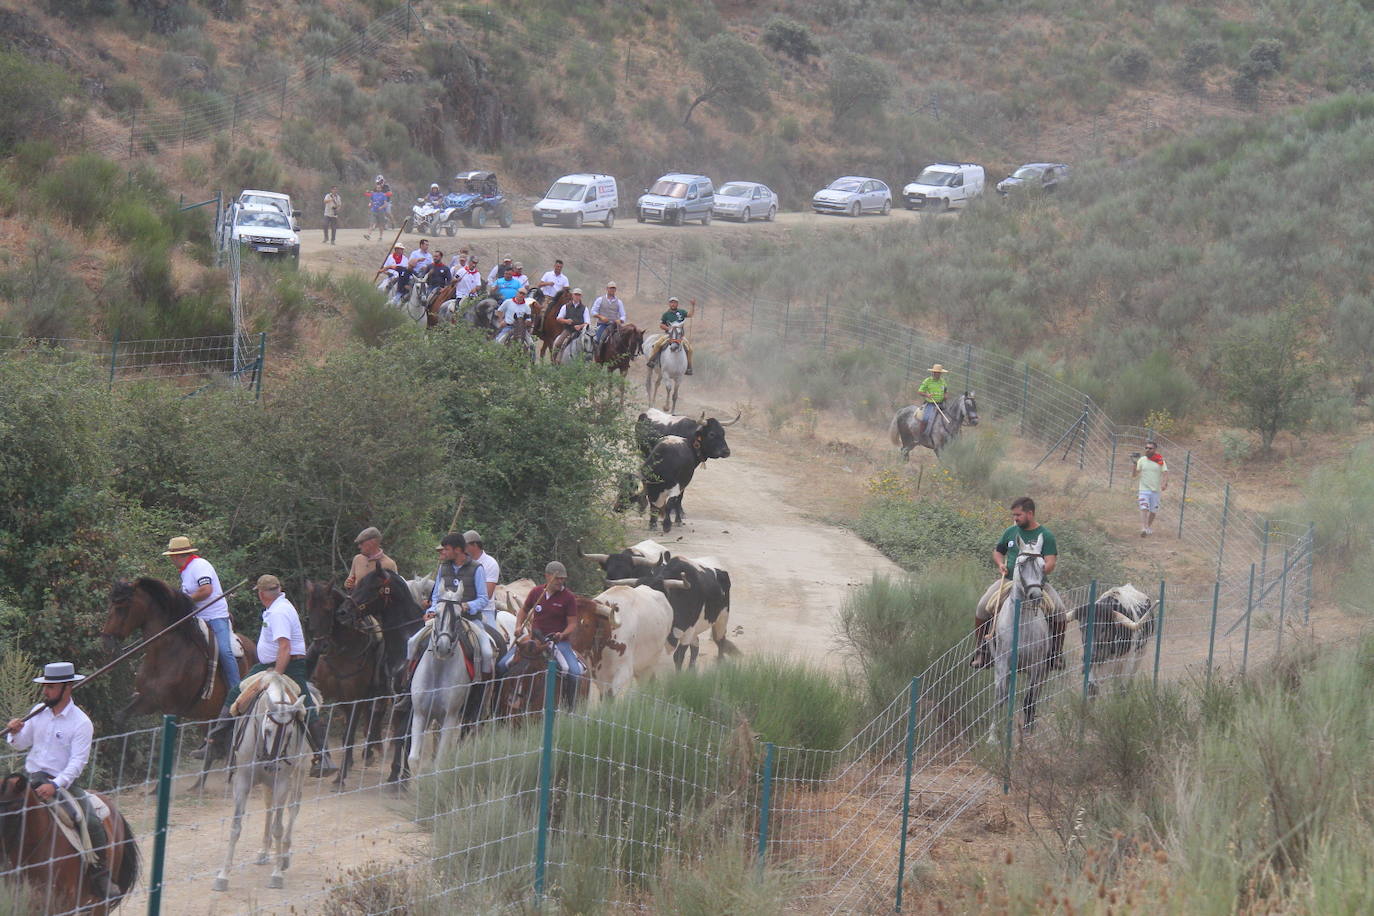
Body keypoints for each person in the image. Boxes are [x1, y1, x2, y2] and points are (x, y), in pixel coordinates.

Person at [5, 662, 118, 900]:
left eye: (51, 687)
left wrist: (55, 784)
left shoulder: (81, 722)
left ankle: (100, 874)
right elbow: (21, 743)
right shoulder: (38, 711)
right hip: (29, 778)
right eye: (45, 686)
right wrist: (14, 731)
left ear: (68, 688)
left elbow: (78, 762)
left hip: (60, 782)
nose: (45, 691)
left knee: (88, 817)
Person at [211, 576, 337, 776]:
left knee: (304, 703)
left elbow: (285, 648)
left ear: (261, 594)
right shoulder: (277, 608)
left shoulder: (278, 612)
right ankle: (215, 741)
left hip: (288, 666)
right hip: (268, 664)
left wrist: (276, 674)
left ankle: (323, 755)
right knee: (237, 691)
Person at [970, 497, 1065, 670]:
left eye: (1018, 515)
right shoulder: (1010, 532)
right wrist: (1000, 564)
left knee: (1059, 610)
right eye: (1014, 515)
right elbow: (998, 552)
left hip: (1037, 584)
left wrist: (1036, 572)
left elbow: (1051, 561)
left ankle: (1056, 654)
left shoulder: (1046, 535)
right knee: (982, 606)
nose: (1015, 518)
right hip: (1009, 581)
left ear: (1030, 513)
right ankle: (982, 651)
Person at [409, 534, 495, 678]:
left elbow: (483, 598)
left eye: (447, 549)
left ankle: (481, 692)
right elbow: (436, 596)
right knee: (412, 642)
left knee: (486, 652)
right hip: (442, 619)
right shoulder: (443, 568)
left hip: (470, 620)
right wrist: (431, 610)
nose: (444, 552)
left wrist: (468, 605)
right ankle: (407, 686)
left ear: (458, 550)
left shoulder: (476, 568)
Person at [164, 536, 240, 696]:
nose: (170, 559)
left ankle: (236, 690)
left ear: (177, 556)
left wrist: (186, 600)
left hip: (215, 616)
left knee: (225, 651)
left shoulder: (199, 566)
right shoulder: (186, 571)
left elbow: (206, 590)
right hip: (197, 617)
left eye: (171, 556)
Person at [501, 561, 583, 705]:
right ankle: (499, 703)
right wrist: (519, 626)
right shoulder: (536, 592)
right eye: (557, 578)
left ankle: (571, 708)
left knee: (574, 672)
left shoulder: (568, 597)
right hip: (534, 640)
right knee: (502, 665)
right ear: (547, 576)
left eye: (563, 578)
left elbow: (572, 624)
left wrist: (562, 634)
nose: (561, 581)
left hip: (558, 642)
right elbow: (524, 611)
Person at [645, 296, 694, 375]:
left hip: (680, 336)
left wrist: (693, 306)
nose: (673, 304)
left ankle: (689, 367)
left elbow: (690, 314)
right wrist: (669, 328)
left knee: (690, 349)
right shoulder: (666, 314)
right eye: (671, 302)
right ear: (669, 304)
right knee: (657, 344)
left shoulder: (681, 312)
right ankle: (652, 361)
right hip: (669, 335)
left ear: (677, 304)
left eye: (674, 302)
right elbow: (661, 325)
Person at [344, 526, 399, 592]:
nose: (359, 546)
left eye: (361, 543)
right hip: (356, 601)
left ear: (372, 542)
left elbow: (394, 591)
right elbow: (349, 582)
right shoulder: (357, 559)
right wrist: (348, 584)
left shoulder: (389, 564)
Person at [1131, 439, 1169, 537]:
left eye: (1150, 448)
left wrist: (1164, 483)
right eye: (1146, 448)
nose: (1147, 450)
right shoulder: (1142, 460)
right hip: (1143, 489)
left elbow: (1165, 473)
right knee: (1144, 508)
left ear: (1155, 449)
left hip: (1155, 491)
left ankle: (1147, 527)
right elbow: (1134, 475)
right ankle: (1144, 527)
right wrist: (1134, 464)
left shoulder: (1160, 461)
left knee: (1153, 511)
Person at [463, 530, 500, 601]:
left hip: (485, 610)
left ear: (475, 545)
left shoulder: (490, 563)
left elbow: (487, 594)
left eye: (465, 546)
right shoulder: (462, 562)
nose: (463, 549)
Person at [552, 288, 591, 355]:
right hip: (568, 330)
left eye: (579, 295)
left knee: (589, 345)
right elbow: (558, 318)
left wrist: (580, 326)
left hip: (581, 332)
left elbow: (587, 323)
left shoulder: (585, 308)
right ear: (572, 295)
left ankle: (589, 361)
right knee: (558, 343)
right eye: (575, 294)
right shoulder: (565, 306)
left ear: (581, 296)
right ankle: (555, 361)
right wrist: (566, 321)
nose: (577, 296)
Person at [916, 364, 948, 440]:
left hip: (941, 403)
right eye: (936, 372)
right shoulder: (927, 381)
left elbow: (946, 391)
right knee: (926, 418)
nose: (937, 374)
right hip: (930, 404)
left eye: (939, 372)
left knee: (950, 417)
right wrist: (927, 395)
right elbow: (920, 391)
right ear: (933, 372)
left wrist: (946, 395)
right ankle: (921, 437)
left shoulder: (943, 381)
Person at [591, 282, 627, 346]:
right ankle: (597, 354)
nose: (612, 290)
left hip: (615, 326)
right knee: (597, 339)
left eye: (613, 288)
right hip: (602, 325)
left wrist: (620, 320)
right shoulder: (600, 300)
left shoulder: (619, 302)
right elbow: (593, 311)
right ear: (607, 289)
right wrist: (601, 317)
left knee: (624, 340)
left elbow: (623, 315)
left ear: (615, 290)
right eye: (610, 288)